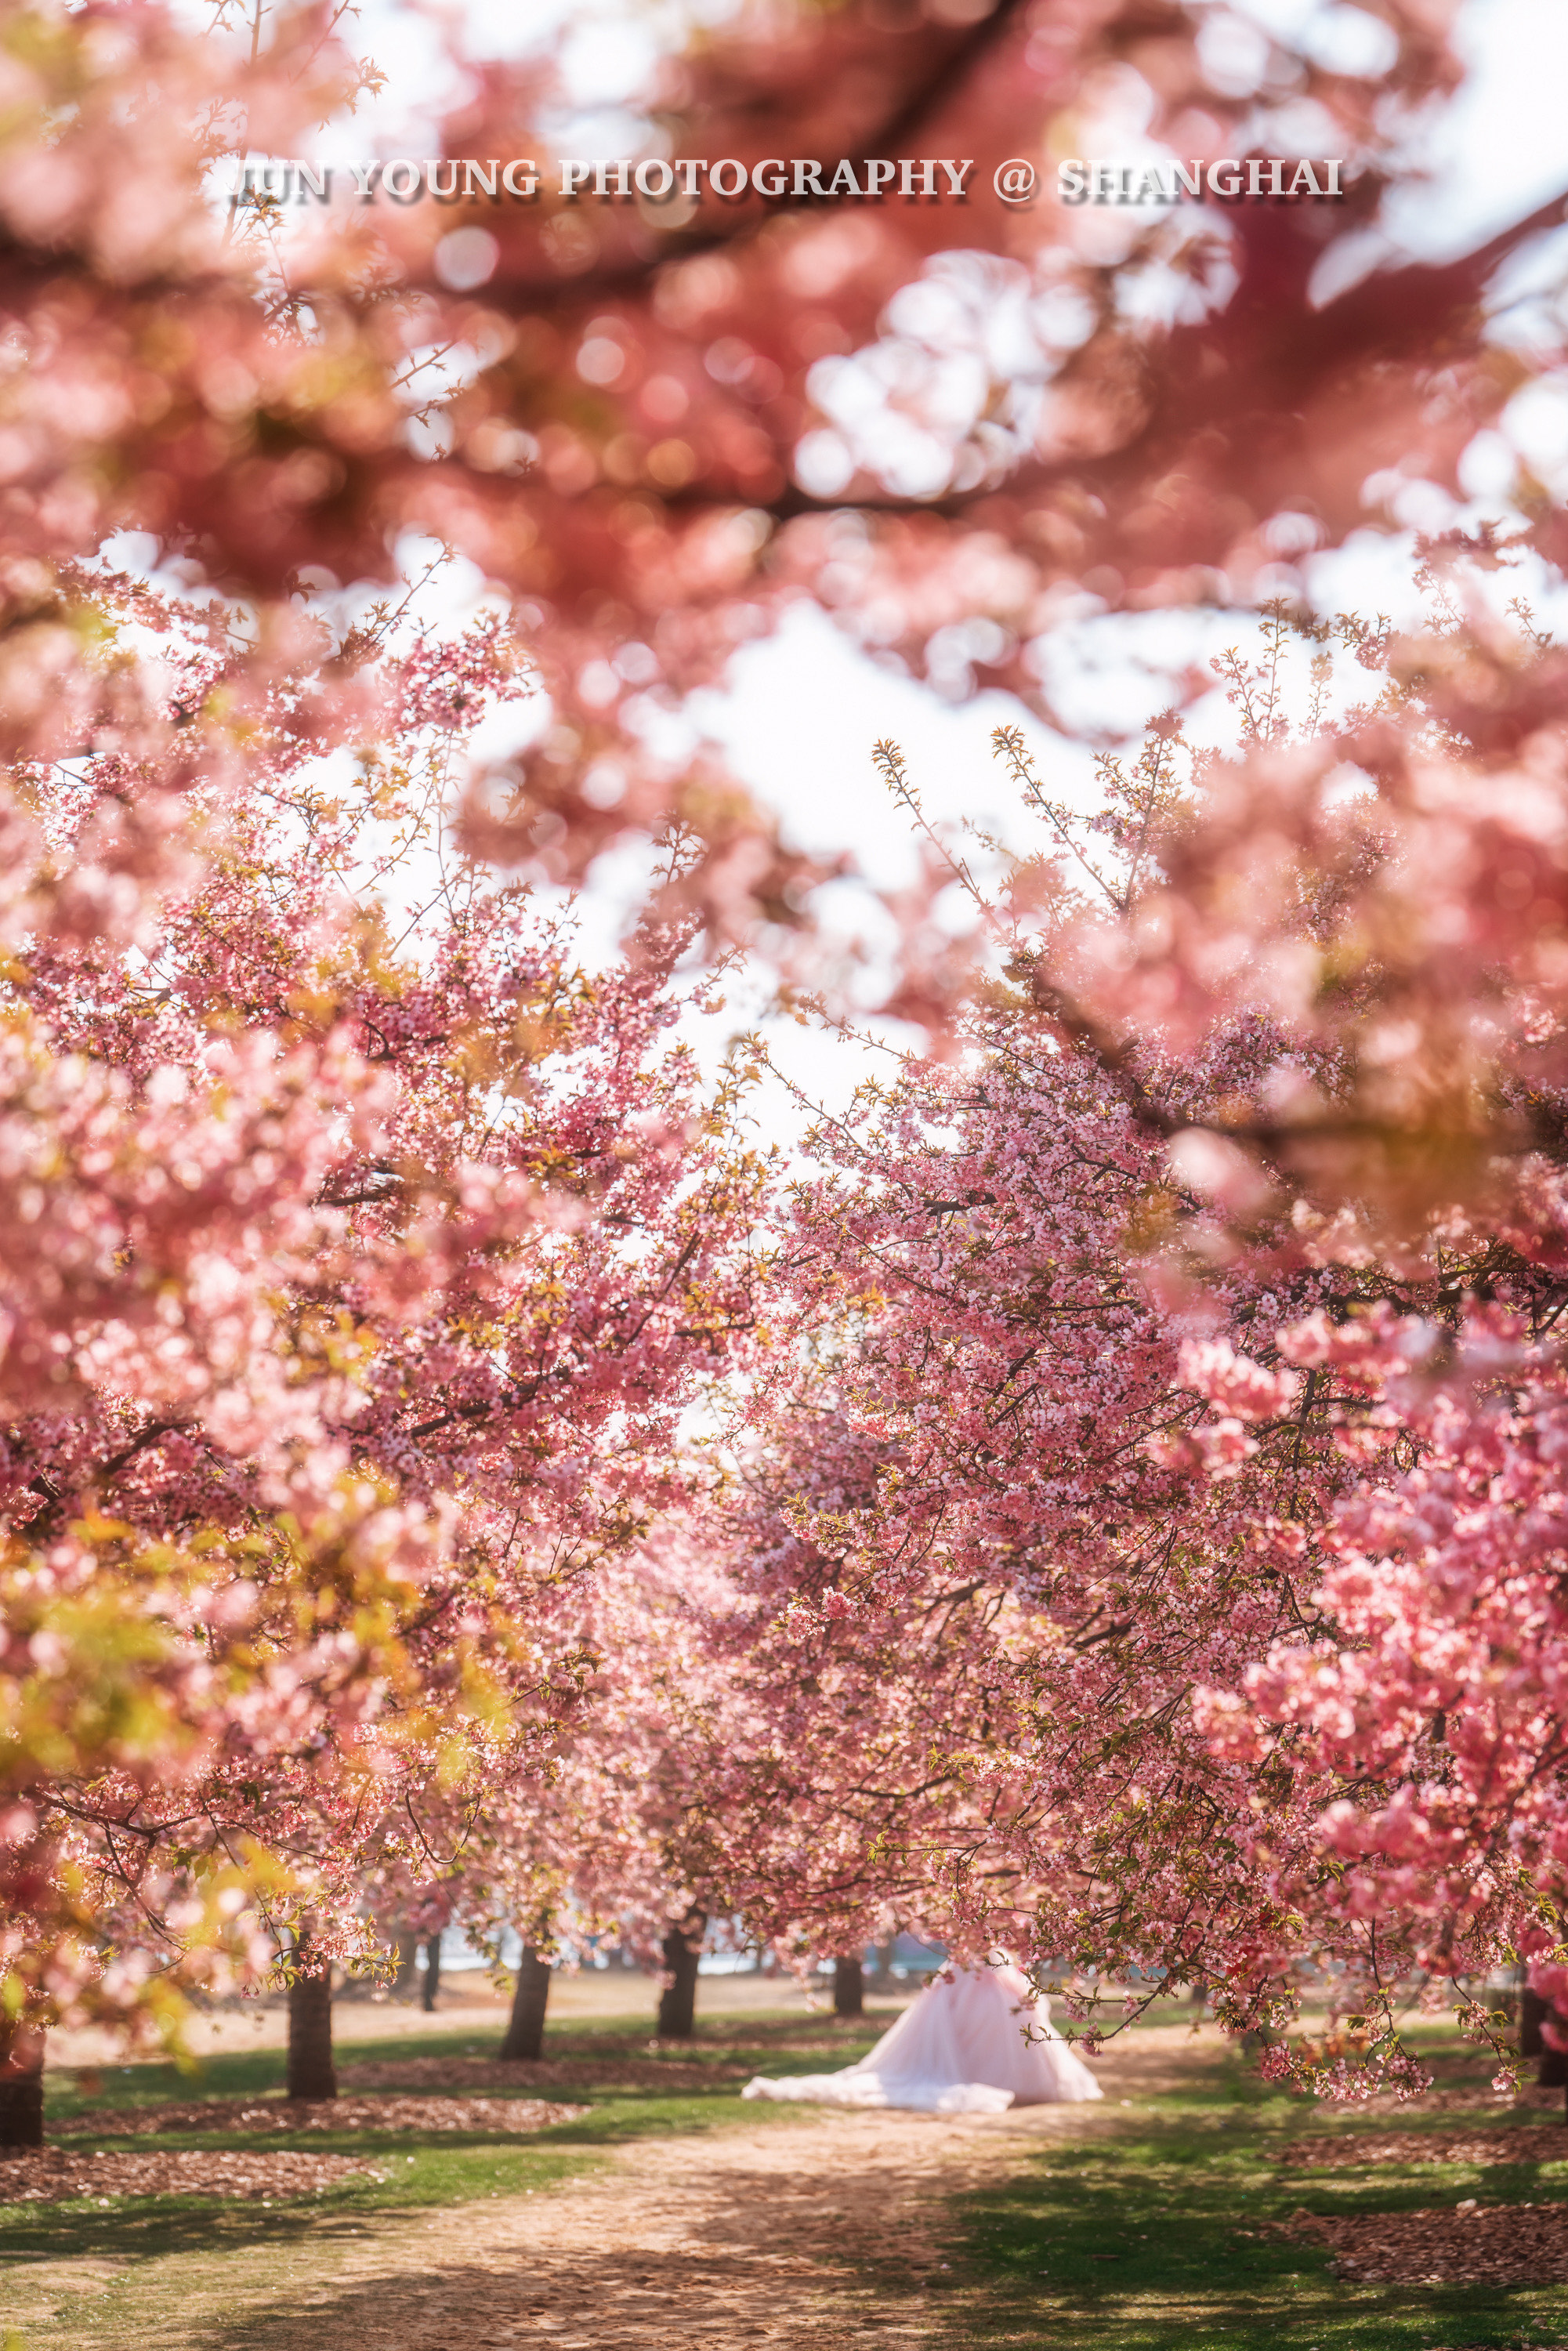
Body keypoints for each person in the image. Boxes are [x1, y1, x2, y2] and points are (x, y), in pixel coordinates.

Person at [742, 1960, 1103, 2114]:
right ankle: (993, 2080)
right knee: (976, 2029)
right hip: (972, 1977)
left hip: (986, 1979)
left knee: (998, 2028)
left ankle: (1006, 2081)